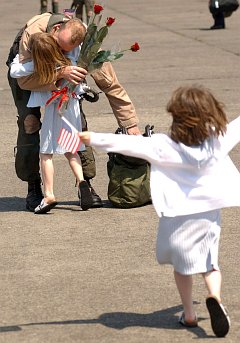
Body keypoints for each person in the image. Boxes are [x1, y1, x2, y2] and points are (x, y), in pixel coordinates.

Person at [78, 85, 240, 338]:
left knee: (182, 266)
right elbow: (236, 127)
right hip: (207, 214)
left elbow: (128, 144)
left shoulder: (164, 145)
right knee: (209, 263)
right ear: (211, 114)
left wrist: (92, 137)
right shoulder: (216, 141)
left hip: (175, 216)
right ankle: (215, 296)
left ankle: (188, 313)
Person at [6, 12, 140, 212]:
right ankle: (33, 186)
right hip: (29, 70)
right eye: (58, 47)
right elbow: (23, 80)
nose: (60, 53)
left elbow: (110, 84)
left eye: (66, 51)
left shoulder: (86, 42)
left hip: (61, 81)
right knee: (30, 122)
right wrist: (59, 73)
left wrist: (130, 124)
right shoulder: (33, 35)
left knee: (76, 126)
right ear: (55, 30)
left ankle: (85, 183)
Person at [10, 32, 93, 214]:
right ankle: (82, 183)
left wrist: (19, 57)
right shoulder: (69, 59)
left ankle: (49, 195)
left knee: (46, 154)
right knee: (71, 150)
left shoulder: (38, 65)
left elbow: (15, 71)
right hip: (72, 109)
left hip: (54, 109)